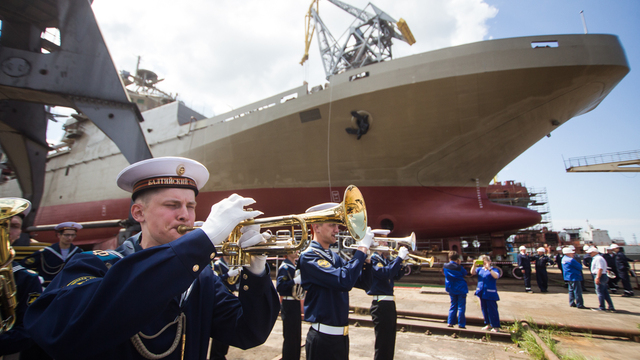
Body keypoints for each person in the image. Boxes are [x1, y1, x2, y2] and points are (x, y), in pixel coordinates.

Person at [24, 156, 280, 359]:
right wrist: (201, 242)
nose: (185, 216)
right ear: (138, 213)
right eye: (172, 205)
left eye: (190, 206)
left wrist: (256, 271)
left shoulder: (201, 276)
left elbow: (248, 332)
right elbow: (64, 334)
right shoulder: (94, 263)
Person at [298, 202, 374, 360]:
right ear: (316, 227)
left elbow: (363, 283)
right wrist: (361, 249)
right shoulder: (309, 256)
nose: (337, 230)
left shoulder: (333, 256)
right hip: (323, 339)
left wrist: (366, 258)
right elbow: (344, 281)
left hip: (341, 338)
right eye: (332, 225)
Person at [366, 230, 409, 360]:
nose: (386, 242)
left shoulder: (383, 259)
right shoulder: (373, 258)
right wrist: (399, 258)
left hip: (388, 303)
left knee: (389, 341)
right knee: (383, 343)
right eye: (383, 239)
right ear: (375, 241)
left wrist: (403, 263)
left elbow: (395, 275)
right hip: (381, 304)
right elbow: (386, 273)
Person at [21, 221, 83, 285]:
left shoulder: (78, 252)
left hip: (69, 286)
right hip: (48, 286)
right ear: (59, 235)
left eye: (73, 235)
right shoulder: (46, 252)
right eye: (67, 235)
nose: (70, 238)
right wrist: (35, 277)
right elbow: (24, 264)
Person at [209, 255, 241, 360]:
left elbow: (235, 283)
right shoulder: (218, 264)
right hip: (220, 298)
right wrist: (228, 274)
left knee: (228, 328)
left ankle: (222, 354)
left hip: (230, 295)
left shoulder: (231, 265)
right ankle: (216, 355)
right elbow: (215, 279)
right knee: (220, 329)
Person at [276, 251, 303, 360]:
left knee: (296, 337)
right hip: (288, 303)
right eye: (293, 250)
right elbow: (280, 287)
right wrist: (294, 281)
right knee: (290, 337)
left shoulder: (293, 266)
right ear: (287, 253)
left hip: (295, 302)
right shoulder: (285, 267)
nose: (296, 251)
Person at [471, 255, 502, 332]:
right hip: (482, 291)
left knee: (492, 309)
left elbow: (496, 276)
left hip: (490, 292)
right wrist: (474, 265)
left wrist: (489, 268)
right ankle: (488, 323)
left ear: (489, 262)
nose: (484, 263)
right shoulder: (480, 269)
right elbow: (472, 272)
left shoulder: (493, 269)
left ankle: (495, 325)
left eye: (486, 261)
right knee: (484, 309)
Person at [443, 251, 468, 329]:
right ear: (457, 259)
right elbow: (465, 273)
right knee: (461, 307)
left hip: (451, 288)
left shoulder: (445, 266)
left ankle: (450, 322)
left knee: (453, 305)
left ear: (449, 258)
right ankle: (461, 324)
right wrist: (459, 264)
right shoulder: (459, 267)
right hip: (461, 288)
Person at [587, 247, 615, 312]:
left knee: (600, 292)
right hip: (601, 275)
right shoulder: (598, 258)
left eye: (590, 253)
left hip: (600, 276)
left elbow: (600, 268)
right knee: (605, 292)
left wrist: (597, 278)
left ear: (594, 252)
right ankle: (610, 306)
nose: (590, 254)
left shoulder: (598, 259)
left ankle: (602, 307)